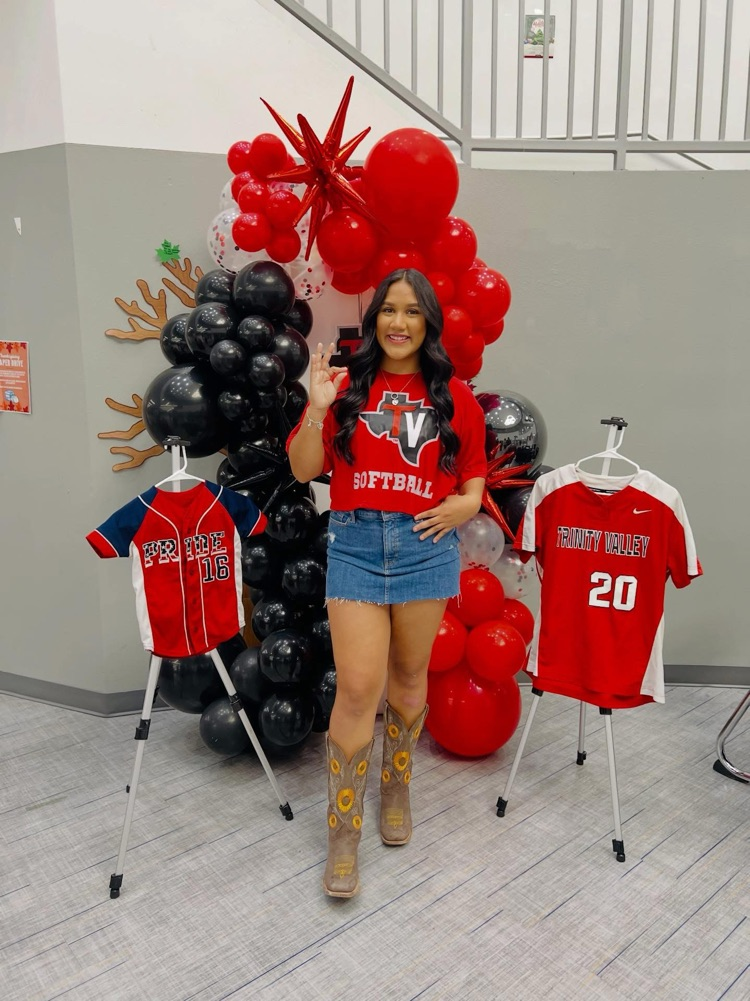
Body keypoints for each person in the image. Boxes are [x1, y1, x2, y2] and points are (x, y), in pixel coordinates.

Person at [287, 269, 487, 898]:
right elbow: (304, 469)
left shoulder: (454, 395)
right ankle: (342, 833)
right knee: (358, 687)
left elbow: (474, 479)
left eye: (412, 312)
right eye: (388, 311)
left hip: (426, 547)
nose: (398, 323)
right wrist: (317, 409)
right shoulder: (345, 389)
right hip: (357, 546)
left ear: (428, 322)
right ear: (374, 321)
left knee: (407, 675)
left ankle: (396, 785)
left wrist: (464, 506)